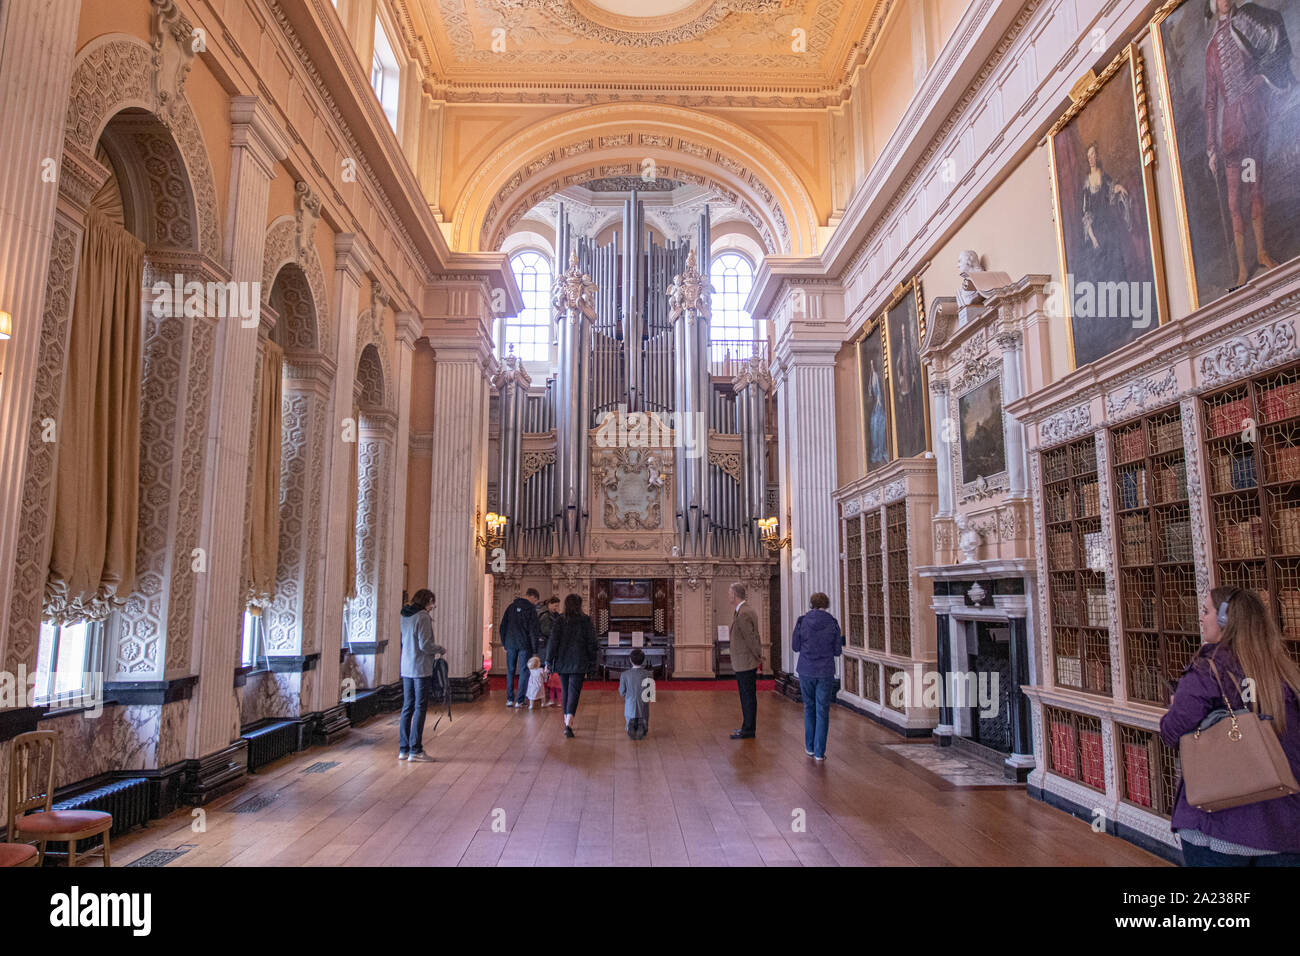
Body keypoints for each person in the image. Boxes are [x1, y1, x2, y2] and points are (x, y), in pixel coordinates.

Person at [1158, 587, 1300, 865]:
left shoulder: (1208, 670)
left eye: (1207, 611)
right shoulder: (1285, 672)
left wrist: (1177, 706)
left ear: (1225, 620)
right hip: (1283, 827)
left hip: (1219, 824)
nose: (1202, 618)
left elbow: (1171, 731)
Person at [792, 592, 843, 761]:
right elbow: (837, 650)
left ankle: (809, 747)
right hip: (825, 671)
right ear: (826, 604)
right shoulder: (833, 623)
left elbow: (795, 647)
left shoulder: (802, 621)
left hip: (806, 669)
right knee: (822, 710)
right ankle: (820, 752)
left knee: (809, 707)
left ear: (811, 603)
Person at [399, 589, 445, 762]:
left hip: (406, 666)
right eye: (432, 602)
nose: (433, 606)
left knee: (407, 707)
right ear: (427, 601)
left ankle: (403, 748)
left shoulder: (405, 615)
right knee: (420, 707)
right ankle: (416, 750)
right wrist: (440, 649)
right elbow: (425, 644)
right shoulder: (423, 617)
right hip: (420, 667)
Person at [545, 593, 597, 738]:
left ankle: (566, 720)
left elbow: (553, 642)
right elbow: (592, 643)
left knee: (566, 690)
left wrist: (549, 661)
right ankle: (569, 722)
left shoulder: (560, 620)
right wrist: (593, 662)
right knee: (574, 691)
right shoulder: (585, 620)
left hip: (562, 661)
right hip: (579, 661)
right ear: (579, 605)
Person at [727, 582, 762, 740]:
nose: (728, 595)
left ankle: (748, 730)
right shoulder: (743, 610)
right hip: (744, 661)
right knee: (747, 696)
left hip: (745, 662)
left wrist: (758, 655)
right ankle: (746, 727)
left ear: (735, 595)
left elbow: (751, 638)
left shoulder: (743, 613)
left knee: (747, 696)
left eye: (729, 593)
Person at [500, 587, 542, 708]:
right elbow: (533, 631)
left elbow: (503, 626)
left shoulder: (511, 607)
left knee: (510, 671)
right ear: (533, 597)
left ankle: (509, 699)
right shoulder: (531, 610)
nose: (535, 603)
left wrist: (504, 643)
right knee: (524, 671)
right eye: (536, 601)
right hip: (525, 645)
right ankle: (520, 700)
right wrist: (535, 651)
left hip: (511, 644)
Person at [619, 648, 653, 739]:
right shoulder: (649, 674)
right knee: (644, 713)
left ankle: (629, 728)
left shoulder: (624, 674)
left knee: (630, 712)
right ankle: (643, 728)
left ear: (630, 660)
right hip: (643, 704)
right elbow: (651, 693)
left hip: (630, 703)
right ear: (643, 660)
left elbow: (622, 692)